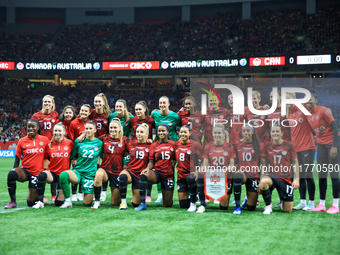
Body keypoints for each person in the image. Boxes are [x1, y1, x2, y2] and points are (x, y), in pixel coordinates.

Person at [305, 89, 340, 214]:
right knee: (322, 175)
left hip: (332, 144)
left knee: (334, 174)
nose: (307, 102)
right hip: (321, 146)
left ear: (315, 100)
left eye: (310, 99)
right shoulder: (307, 114)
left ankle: (336, 205)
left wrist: (335, 146)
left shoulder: (324, 110)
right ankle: (321, 204)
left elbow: (335, 127)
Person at [4, 119, 50, 209]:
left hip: (37, 173)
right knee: (11, 174)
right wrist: (14, 169)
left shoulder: (44, 140)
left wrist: (44, 171)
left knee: (31, 203)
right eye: (29, 127)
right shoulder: (22, 141)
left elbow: (48, 157)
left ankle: (38, 196)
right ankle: (13, 201)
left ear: (37, 128)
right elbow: (17, 158)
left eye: (33, 127)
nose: (30, 129)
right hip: (25, 170)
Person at [59, 121, 103, 209]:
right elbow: (71, 155)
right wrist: (76, 142)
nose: (88, 130)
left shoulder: (99, 143)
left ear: (95, 130)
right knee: (63, 175)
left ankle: (92, 193)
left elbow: (104, 157)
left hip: (90, 174)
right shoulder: (79, 141)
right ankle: (68, 201)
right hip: (78, 171)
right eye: (86, 128)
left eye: (90, 128)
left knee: (87, 203)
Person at [259, 125, 299, 214]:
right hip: (272, 175)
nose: (275, 133)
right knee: (264, 181)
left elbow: (295, 162)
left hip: (286, 178)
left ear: (281, 133)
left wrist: (297, 179)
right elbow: (264, 165)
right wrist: (261, 180)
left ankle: (282, 202)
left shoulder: (288, 145)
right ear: (270, 133)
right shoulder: (267, 146)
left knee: (287, 210)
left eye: (277, 131)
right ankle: (268, 206)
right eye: (273, 131)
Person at [286, 92, 316, 211]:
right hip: (295, 148)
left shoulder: (303, 107)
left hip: (307, 146)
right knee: (300, 176)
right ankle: (303, 201)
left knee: (308, 175)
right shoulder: (289, 112)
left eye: (288, 99)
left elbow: (314, 108)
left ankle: (312, 203)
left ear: (294, 99)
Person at [135, 124, 176, 211]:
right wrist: (147, 168)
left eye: (163, 131)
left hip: (168, 175)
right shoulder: (153, 145)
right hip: (157, 172)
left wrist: (175, 162)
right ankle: (142, 203)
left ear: (168, 132)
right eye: (159, 131)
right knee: (144, 175)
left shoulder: (173, 144)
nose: (161, 132)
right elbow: (151, 161)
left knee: (168, 204)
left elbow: (178, 157)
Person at [32, 123, 73, 208]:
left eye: (59, 131)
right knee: (42, 175)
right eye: (55, 131)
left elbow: (74, 156)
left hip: (63, 175)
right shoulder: (49, 144)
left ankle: (64, 196)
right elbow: (44, 157)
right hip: (52, 173)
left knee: (58, 203)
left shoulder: (69, 143)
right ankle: (40, 202)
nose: (57, 132)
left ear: (64, 132)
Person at [91, 118, 128, 209]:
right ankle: (97, 201)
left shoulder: (124, 140)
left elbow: (131, 149)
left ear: (120, 128)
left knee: (115, 203)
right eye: (111, 127)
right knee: (98, 175)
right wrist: (83, 135)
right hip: (105, 168)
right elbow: (92, 140)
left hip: (117, 172)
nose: (112, 129)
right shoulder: (104, 138)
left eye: (115, 127)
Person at [151, 96, 181, 202]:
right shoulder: (154, 114)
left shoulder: (175, 116)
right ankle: (160, 194)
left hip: (172, 147)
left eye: (164, 103)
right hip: (159, 146)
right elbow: (151, 127)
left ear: (169, 104)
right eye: (160, 103)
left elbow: (182, 128)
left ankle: (172, 192)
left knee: (171, 169)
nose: (162, 105)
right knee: (158, 168)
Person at [200, 124, 236, 212]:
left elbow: (232, 166)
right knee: (200, 175)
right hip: (213, 177)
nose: (217, 135)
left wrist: (222, 172)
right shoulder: (208, 147)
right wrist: (203, 171)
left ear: (224, 134)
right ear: (212, 134)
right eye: (215, 133)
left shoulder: (230, 147)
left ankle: (216, 197)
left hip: (225, 178)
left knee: (224, 208)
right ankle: (202, 203)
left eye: (219, 133)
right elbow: (205, 165)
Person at [32, 95, 59, 201]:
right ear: (42, 103)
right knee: (40, 171)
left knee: (53, 169)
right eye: (45, 102)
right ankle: (41, 195)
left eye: (49, 102)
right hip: (40, 148)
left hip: (52, 147)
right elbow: (33, 132)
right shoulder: (36, 116)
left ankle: (53, 194)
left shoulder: (55, 114)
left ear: (52, 103)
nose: (47, 103)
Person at [118, 123, 151, 210]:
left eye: (141, 132)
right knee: (123, 176)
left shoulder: (150, 145)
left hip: (140, 174)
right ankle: (123, 202)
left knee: (135, 204)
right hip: (130, 170)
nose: (139, 134)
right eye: (137, 132)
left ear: (146, 134)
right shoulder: (130, 144)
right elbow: (123, 153)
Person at [129, 101, 155, 202]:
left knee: (147, 169)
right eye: (136, 109)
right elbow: (131, 131)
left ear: (145, 109)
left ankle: (148, 195)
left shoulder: (151, 120)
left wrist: (151, 140)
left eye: (140, 109)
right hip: (136, 147)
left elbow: (155, 131)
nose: (138, 111)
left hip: (147, 147)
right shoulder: (132, 120)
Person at [232, 125, 261, 214]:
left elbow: (263, 164)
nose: (246, 133)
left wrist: (262, 179)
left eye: (248, 130)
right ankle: (237, 206)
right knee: (237, 176)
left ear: (253, 132)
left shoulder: (258, 145)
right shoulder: (238, 144)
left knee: (251, 208)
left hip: (254, 175)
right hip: (242, 173)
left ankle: (246, 201)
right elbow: (235, 160)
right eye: (244, 131)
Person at [68, 104, 92, 202]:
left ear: (89, 112)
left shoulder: (91, 123)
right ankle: (73, 194)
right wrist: (73, 157)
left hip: (86, 152)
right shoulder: (74, 123)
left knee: (84, 172)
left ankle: (80, 193)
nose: (83, 112)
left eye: (86, 111)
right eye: (82, 110)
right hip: (77, 153)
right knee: (75, 172)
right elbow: (71, 140)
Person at [176, 125, 203, 212]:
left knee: (190, 178)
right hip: (180, 176)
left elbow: (205, 159)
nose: (183, 134)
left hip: (191, 175)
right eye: (181, 132)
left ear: (190, 133)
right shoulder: (176, 144)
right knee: (183, 205)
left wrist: (198, 172)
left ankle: (193, 203)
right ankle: (195, 194)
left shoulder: (195, 145)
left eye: (185, 132)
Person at [90, 93, 111, 201]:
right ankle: (94, 190)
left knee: (105, 167)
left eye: (99, 101)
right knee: (94, 168)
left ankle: (103, 192)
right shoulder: (91, 113)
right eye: (95, 101)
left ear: (103, 103)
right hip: (93, 144)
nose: (97, 103)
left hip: (105, 144)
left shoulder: (108, 114)